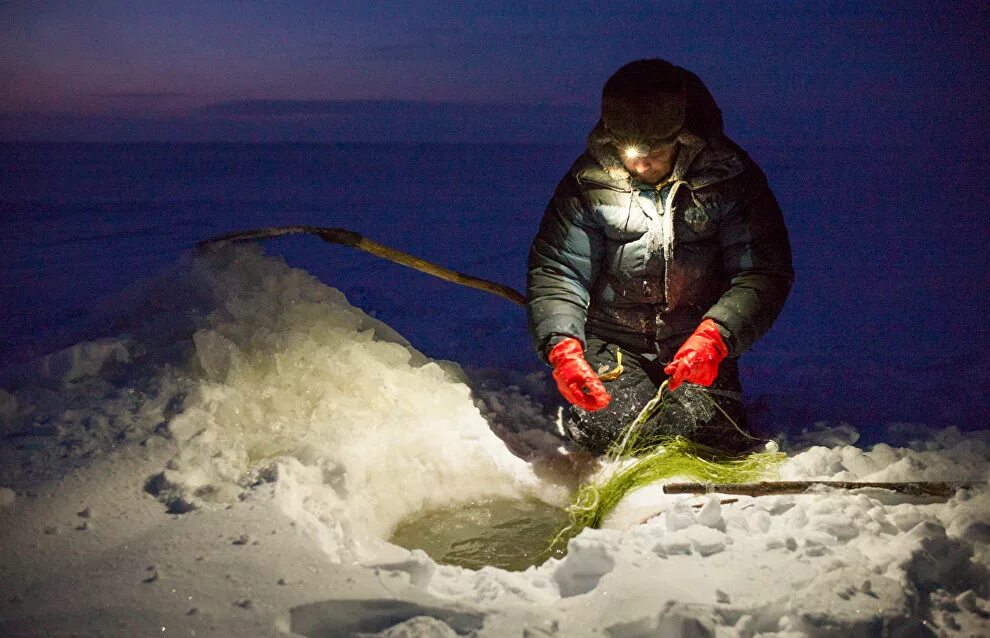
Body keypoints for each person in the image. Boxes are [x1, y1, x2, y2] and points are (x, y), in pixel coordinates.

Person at [527, 59, 793, 455]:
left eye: (653, 151)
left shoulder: (730, 179)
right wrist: (563, 347)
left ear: (682, 138)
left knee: (707, 437)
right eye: (628, 150)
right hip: (614, 341)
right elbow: (560, 270)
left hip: (695, 343)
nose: (638, 163)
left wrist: (716, 336)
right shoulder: (588, 182)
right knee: (621, 432)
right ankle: (590, 418)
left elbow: (762, 272)